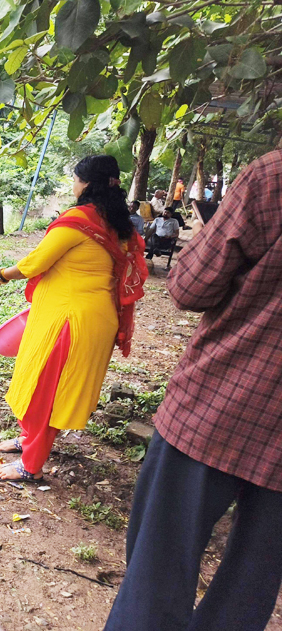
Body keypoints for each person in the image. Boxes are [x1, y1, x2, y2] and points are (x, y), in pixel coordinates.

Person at [103, 150, 282, 631]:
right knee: (251, 589)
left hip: (220, 405)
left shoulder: (272, 177)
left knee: (156, 576)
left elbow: (190, 288)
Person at [0, 156, 147, 482]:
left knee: (46, 392)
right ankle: (30, 441)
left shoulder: (79, 218)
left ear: (86, 183)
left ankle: (30, 466)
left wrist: (1, 275)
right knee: (54, 388)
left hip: (70, 322)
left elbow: (36, 262)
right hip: (93, 319)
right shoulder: (117, 222)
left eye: (75, 179)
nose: (73, 185)